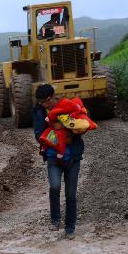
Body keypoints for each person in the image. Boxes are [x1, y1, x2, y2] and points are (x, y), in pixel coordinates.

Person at [32, 84, 85, 238]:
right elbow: (38, 134)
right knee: (54, 186)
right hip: (52, 156)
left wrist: (63, 127)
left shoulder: (68, 106)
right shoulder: (38, 112)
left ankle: (70, 228)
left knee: (71, 194)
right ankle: (55, 219)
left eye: (47, 100)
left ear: (54, 95)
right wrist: (55, 133)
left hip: (73, 157)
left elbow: (80, 127)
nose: (45, 104)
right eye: (42, 102)